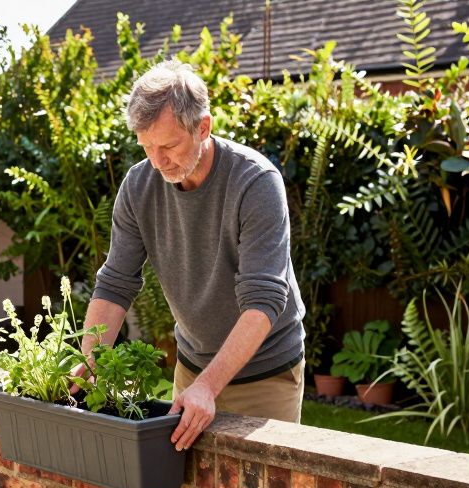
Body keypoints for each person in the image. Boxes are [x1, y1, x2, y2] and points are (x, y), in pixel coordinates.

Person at [78, 60, 306, 451]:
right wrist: (91, 363)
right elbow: (116, 283)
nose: (157, 160)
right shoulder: (139, 185)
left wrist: (208, 387)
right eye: (147, 146)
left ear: (203, 127)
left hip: (265, 375)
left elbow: (264, 301)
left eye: (168, 145)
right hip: (193, 367)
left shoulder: (255, 183)